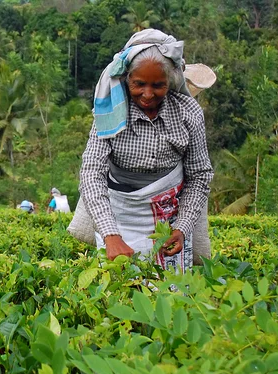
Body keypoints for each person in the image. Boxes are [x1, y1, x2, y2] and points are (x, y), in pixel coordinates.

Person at [79, 29, 213, 272]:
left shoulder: (188, 113)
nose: (148, 94)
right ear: (126, 79)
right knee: (120, 294)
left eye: (158, 85)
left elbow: (200, 175)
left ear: (170, 81)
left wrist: (182, 227)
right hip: (118, 216)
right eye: (139, 84)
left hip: (169, 222)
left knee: (171, 297)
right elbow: (91, 173)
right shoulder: (111, 111)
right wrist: (111, 235)